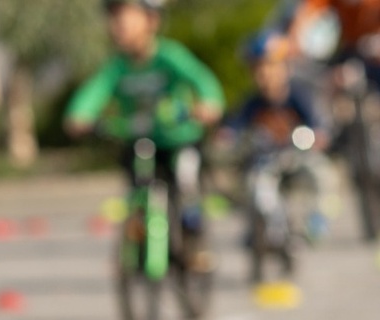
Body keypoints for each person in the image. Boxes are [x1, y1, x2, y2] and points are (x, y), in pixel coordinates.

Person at [64, 0, 226, 269]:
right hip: (140, 141)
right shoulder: (117, 66)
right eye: (113, 19)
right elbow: (94, 92)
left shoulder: (169, 56)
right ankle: (139, 238)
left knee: (187, 186)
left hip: (178, 140)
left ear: (151, 21)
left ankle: (194, 242)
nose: (118, 26)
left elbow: (202, 80)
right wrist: (79, 115)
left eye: (125, 18)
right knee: (136, 186)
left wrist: (209, 103)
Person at [219, 31, 333, 241]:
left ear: (285, 68)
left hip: (297, 156)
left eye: (270, 66)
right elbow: (235, 124)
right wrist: (228, 135)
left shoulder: (298, 96)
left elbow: (318, 122)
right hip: (267, 159)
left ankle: (316, 219)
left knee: (322, 176)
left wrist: (318, 135)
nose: (265, 75)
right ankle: (261, 226)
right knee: (254, 185)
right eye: (257, 69)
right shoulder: (252, 103)